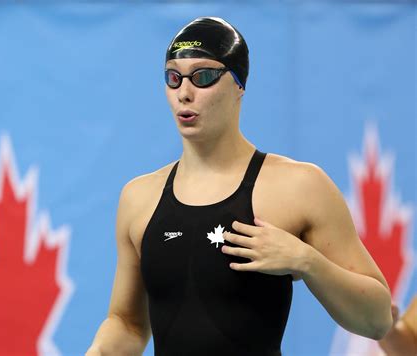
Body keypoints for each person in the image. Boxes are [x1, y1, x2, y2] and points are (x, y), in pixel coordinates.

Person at [86, 17, 392, 356]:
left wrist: (307, 261)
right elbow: (127, 323)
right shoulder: (139, 198)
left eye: (202, 77)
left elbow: (377, 320)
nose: (184, 94)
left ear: (238, 84)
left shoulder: (298, 186)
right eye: (174, 78)